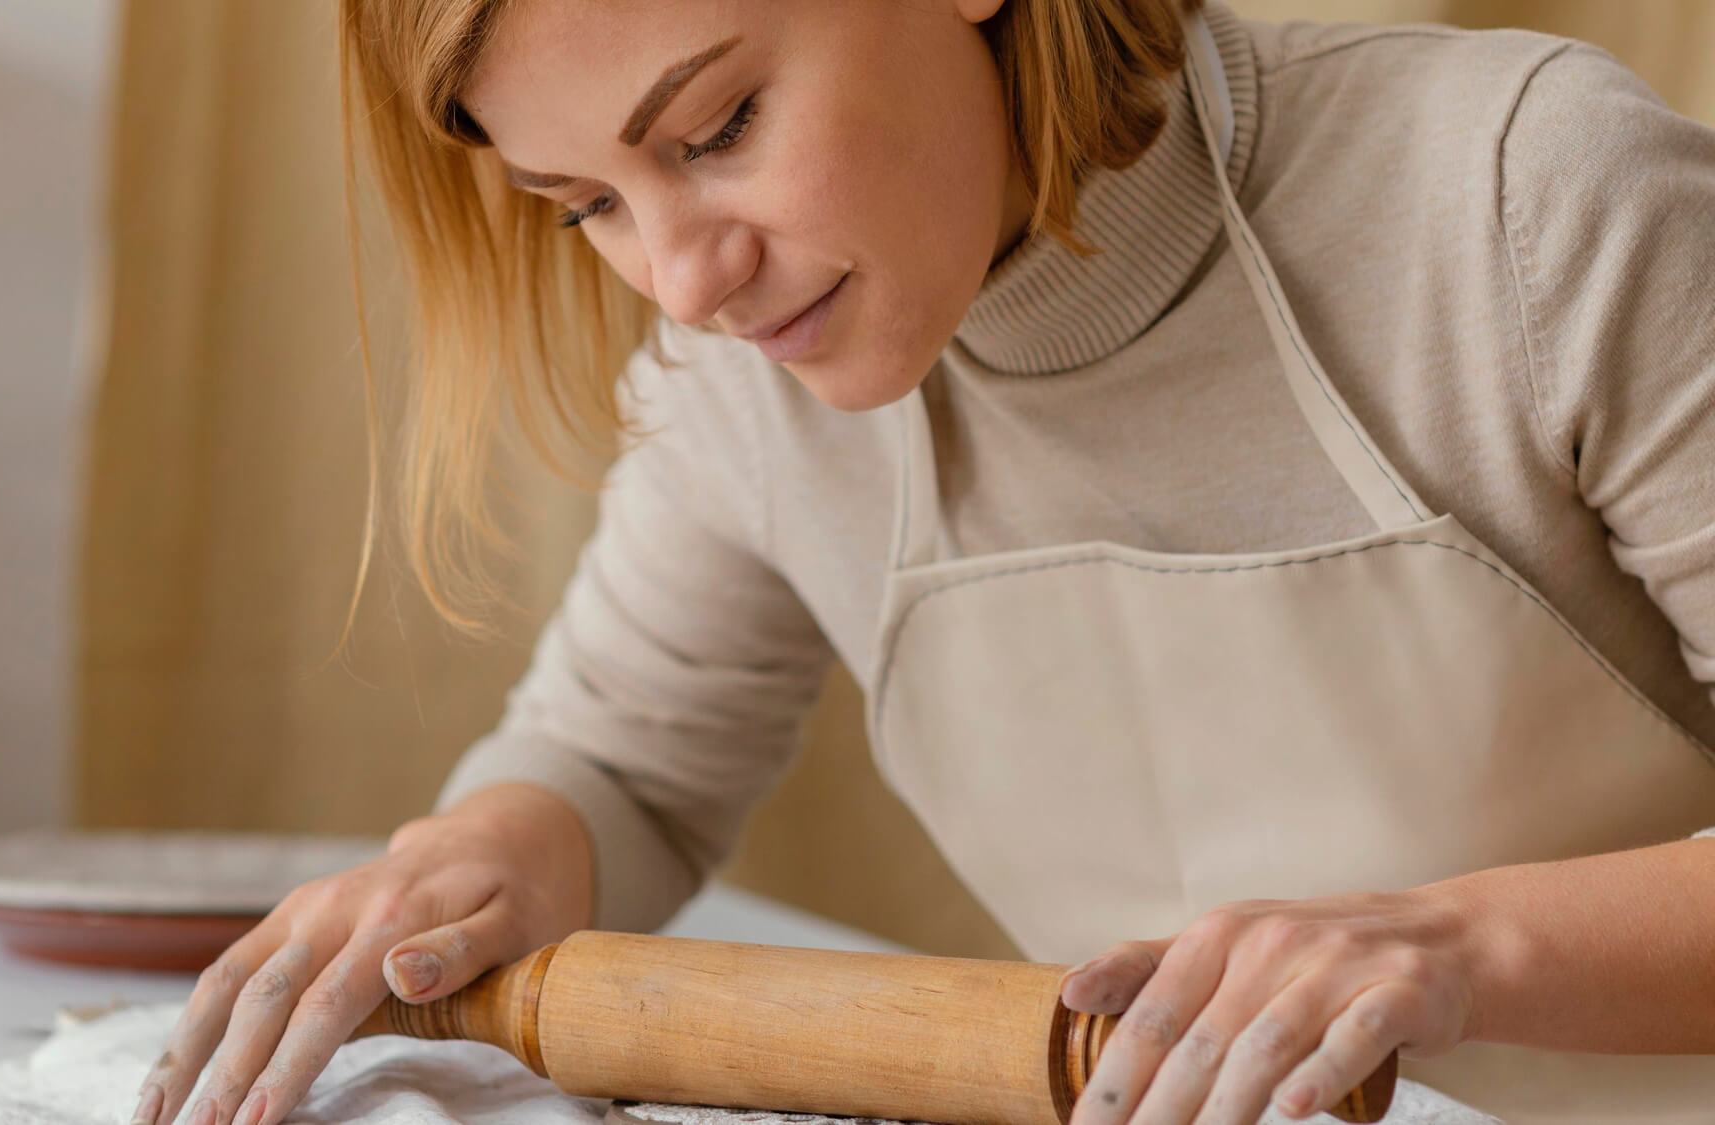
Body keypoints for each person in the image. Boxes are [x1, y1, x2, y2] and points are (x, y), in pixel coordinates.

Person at [126, 2, 1715, 1124]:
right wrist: (474, 856)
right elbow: (623, 765)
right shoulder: (747, 390)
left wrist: (1457, 950)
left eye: (718, 127)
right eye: (586, 205)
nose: (684, 278)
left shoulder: (1527, 199)